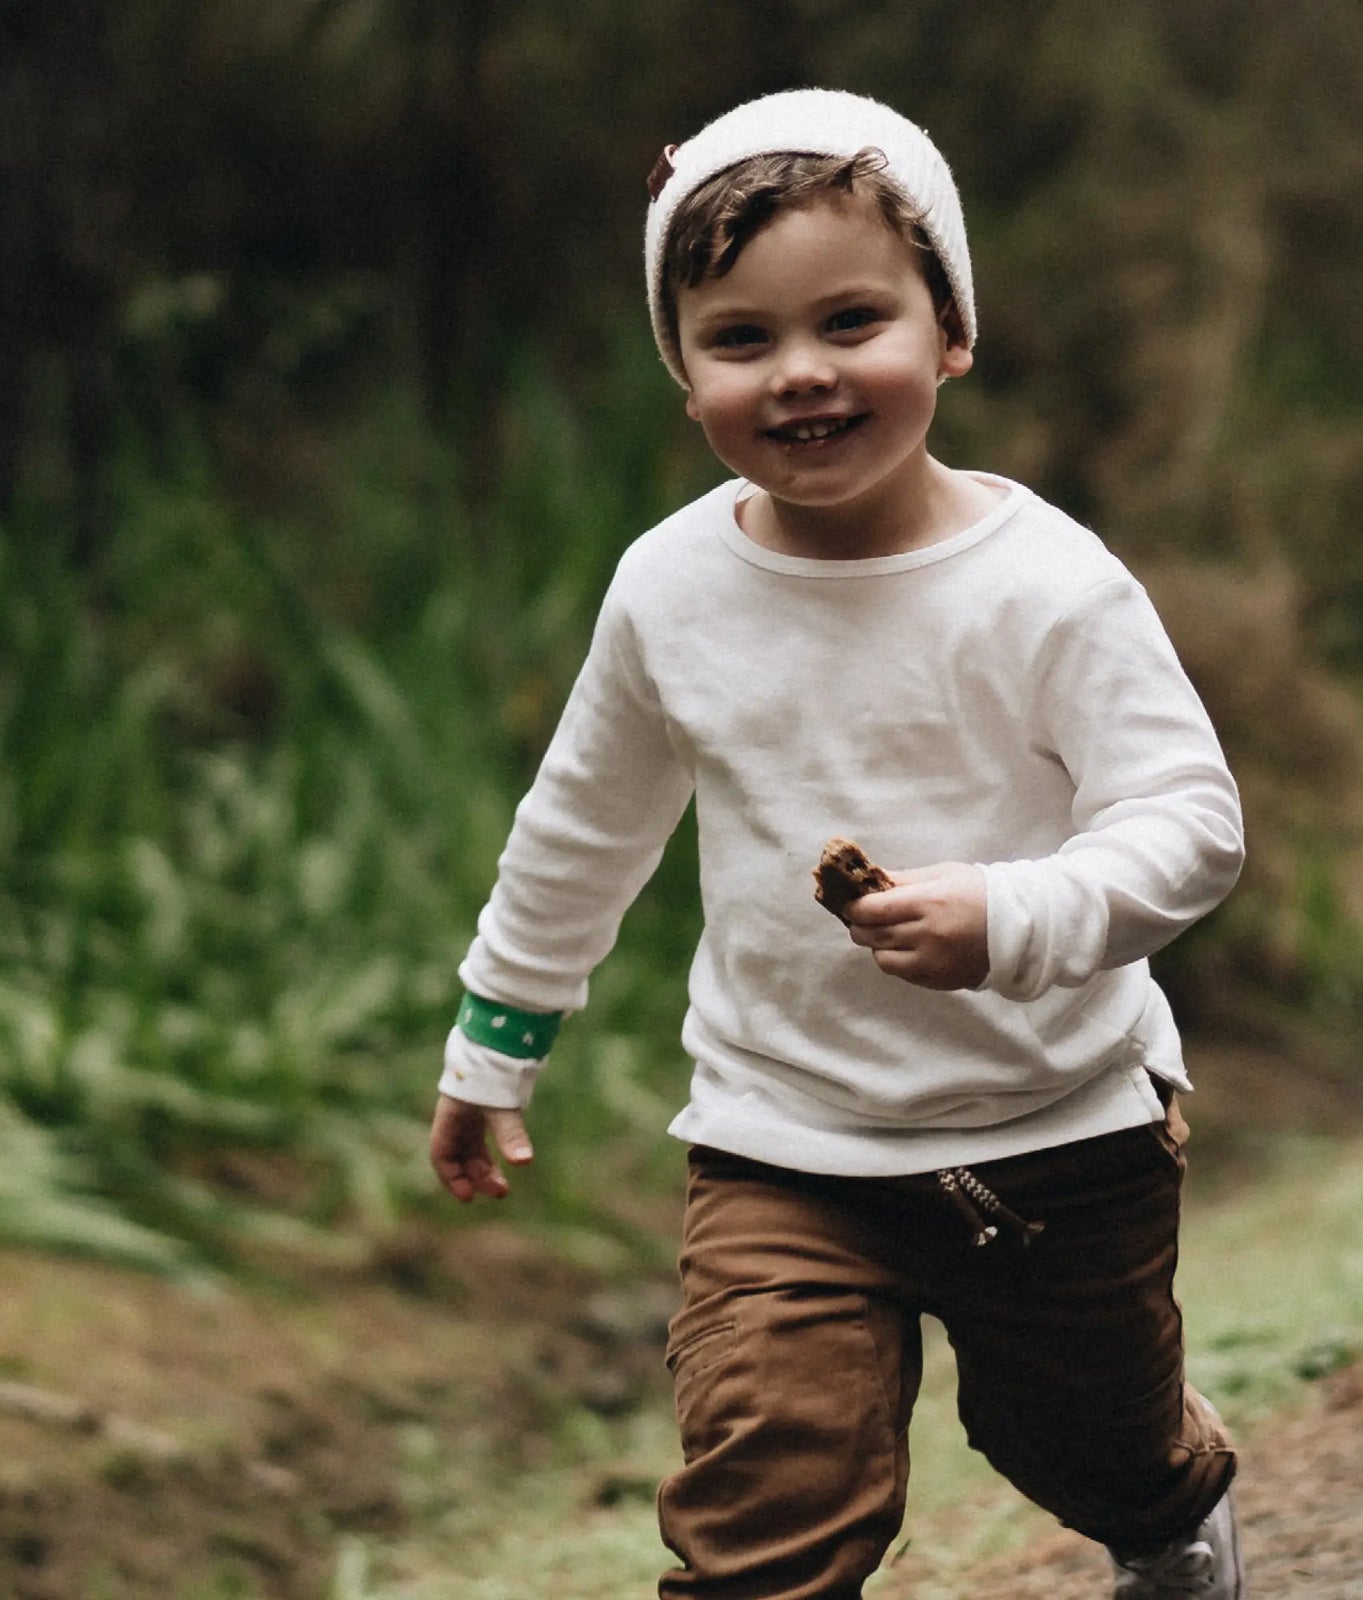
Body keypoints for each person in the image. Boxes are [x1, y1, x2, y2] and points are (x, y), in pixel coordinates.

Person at [421, 87, 1250, 1600]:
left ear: (950, 332)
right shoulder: (671, 587)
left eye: (852, 321)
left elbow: (1190, 827)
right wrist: (495, 1041)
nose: (800, 375)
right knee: (765, 1499)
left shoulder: (1045, 585)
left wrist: (1016, 914)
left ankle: (1171, 1502)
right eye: (740, 341)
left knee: (1086, 1447)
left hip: (1058, 1129)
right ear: (686, 376)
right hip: (781, 1140)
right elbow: (582, 827)